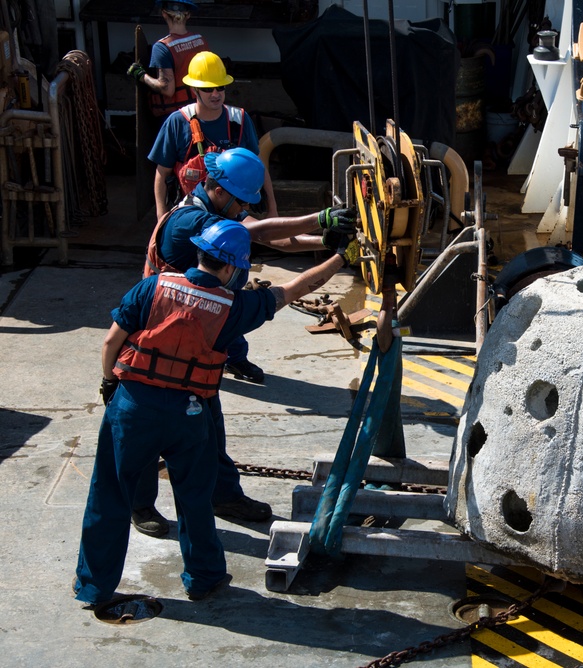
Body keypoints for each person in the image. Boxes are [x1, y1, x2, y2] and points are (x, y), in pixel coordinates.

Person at [74, 219, 354, 607]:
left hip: (134, 406)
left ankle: (94, 586)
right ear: (230, 268)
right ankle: (203, 577)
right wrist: (341, 256)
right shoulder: (234, 308)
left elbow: (111, 341)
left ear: (200, 254)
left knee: (109, 494)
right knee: (195, 497)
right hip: (190, 413)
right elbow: (297, 287)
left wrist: (110, 383)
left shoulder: (153, 286)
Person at [131, 147, 356, 537]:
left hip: (201, 335)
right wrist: (319, 220)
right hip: (163, 333)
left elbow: (275, 241)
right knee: (148, 429)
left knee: (207, 423)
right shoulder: (192, 221)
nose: (243, 209)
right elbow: (259, 233)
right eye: (241, 201)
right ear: (218, 190)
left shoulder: (221, 211)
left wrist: (325, 238)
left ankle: (223, 496)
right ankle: (139, 504)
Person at [148, 50, 279, 221]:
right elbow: (162, 174)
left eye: (220, 87)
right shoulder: (177, 122)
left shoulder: (239, 120)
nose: (216, 94)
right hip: (190, 215)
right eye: (208, 89)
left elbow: (259, 166)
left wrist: (273, 209)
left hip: (233, 217)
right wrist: (162, 217)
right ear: (194, 90)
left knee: (263, 235)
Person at [127, 0, 209, 120]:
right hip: (201, 110)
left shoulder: (162, 48)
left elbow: (167, 89)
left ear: (164, 14)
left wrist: (141, 75)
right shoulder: (201, 41)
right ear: (188, 15)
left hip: (177, 118)